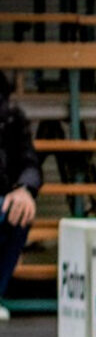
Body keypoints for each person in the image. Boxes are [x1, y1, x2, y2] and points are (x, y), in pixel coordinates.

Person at [0, 73, 34, 292]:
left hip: (2, 200)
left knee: (19, 211)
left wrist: (24, 189)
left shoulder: (11, 117)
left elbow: (29, 163)